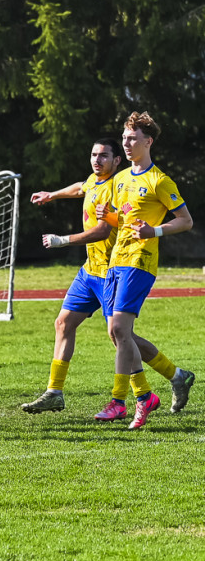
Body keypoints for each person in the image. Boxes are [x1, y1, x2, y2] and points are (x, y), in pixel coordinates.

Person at [21, 138, 194, 416]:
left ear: (117, 160)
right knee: (63, 323)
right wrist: (52, 194)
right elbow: (81, 187)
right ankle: (54, 392)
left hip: (111, 271)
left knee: (121, 336)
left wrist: (62, 240)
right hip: (89, 270)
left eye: (103, 156)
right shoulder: (94, 180)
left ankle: (163, 382)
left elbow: (103, 230)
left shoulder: (119, 185)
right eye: (93, 155)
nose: (97, 160)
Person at [94, 112, 193, 429]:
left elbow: (185, 221)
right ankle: (175, 376)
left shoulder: (159, 181)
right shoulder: (120, 178)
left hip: (141, 260)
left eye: (132, 138)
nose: (126, 143)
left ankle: (124, 400)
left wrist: (155, 231)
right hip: (116, 260)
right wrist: (107, 216)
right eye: (124, 138)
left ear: (148, 142)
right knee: (118, 334)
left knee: (121, 330)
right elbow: (120, 220)